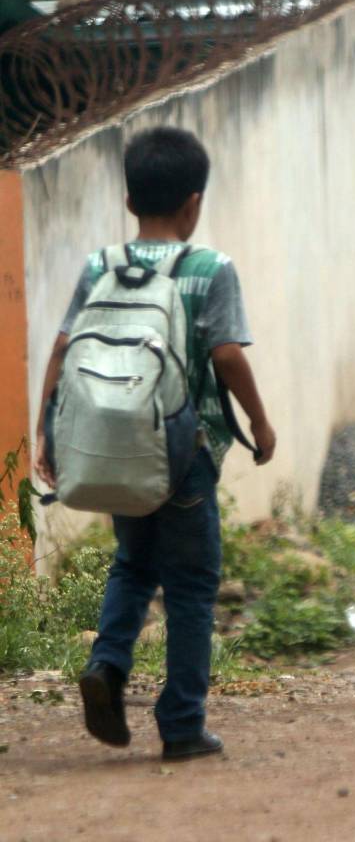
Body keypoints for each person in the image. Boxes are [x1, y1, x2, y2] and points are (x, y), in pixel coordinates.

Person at [33, 126, 276, 760]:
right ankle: (183, 725)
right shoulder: (210, 268)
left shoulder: (100, 266)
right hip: (184, 453)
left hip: (115, 445)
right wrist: (261, 424)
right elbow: (226, 355)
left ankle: (108, 666)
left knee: (133, 565)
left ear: (127, 199)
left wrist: (46, 430)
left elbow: (63, 348)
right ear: (194, 203)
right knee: (192, 586)